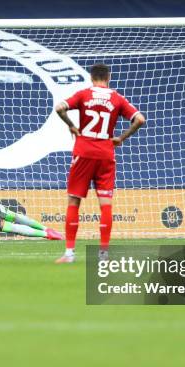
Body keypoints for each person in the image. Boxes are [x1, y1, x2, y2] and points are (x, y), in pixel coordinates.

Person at [54, 63, 146, 263]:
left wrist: (72, 126)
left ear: (91, 77)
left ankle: (69, 253)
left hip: (84, 151)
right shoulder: (117, 98)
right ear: (109, 77)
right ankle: (103, 255)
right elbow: (140, 119)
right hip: (106, 153)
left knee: (74, 201)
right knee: (106, 205)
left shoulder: (84, 94)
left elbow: (59, 108)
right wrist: (121, 137)